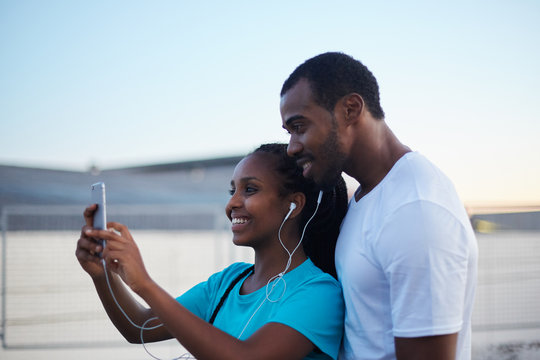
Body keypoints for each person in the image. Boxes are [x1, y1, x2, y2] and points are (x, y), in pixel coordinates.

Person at [279, 52, 478, 360]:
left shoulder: (415, 210)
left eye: (300, 126)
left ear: (351, 109)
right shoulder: (367, 197)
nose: (292, 146)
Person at [75, 143, 348, 360]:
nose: (232, 203)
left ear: (294, 205)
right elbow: (138, 327)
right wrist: (102, 275)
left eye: (250, 190)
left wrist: (143, 283)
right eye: (233, 190)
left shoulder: (319, 292)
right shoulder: (228, 282)